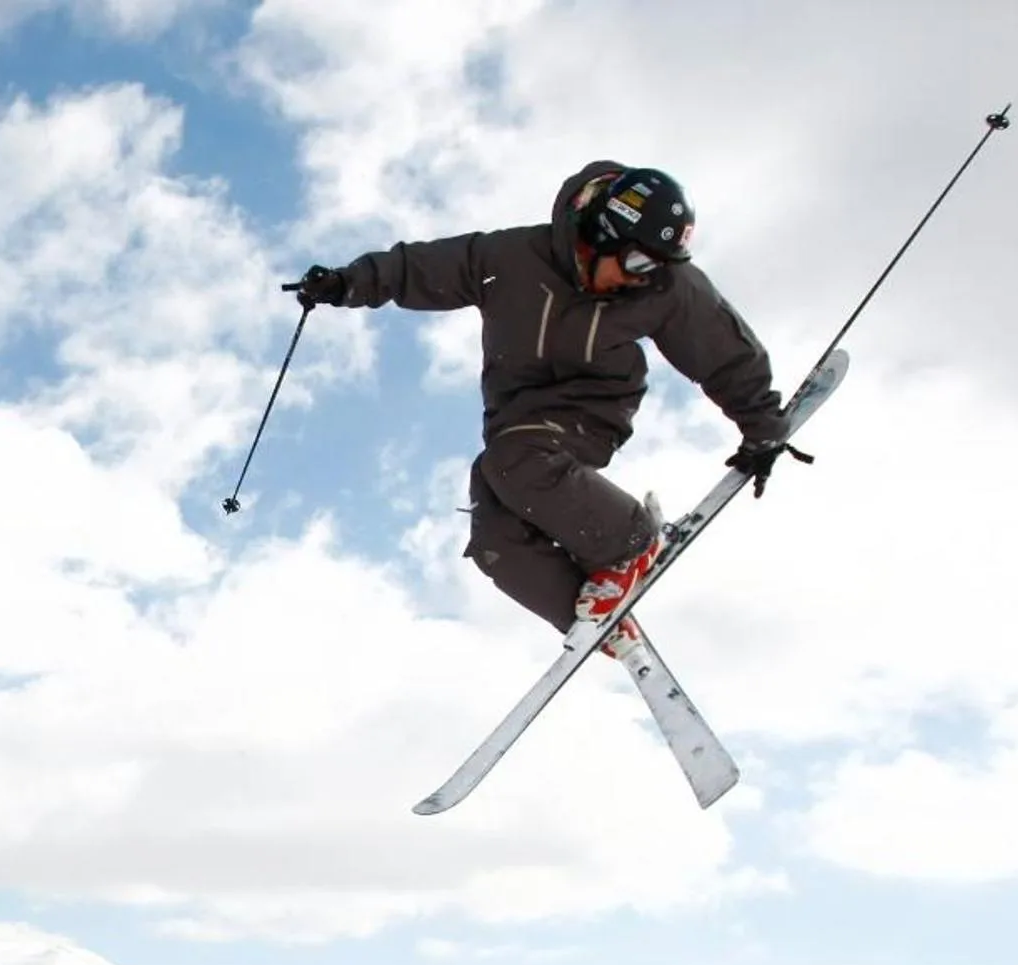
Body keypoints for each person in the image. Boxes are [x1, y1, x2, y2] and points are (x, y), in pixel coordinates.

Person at [292, 163, 795, 660]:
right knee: (494, 534)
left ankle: (631, 542)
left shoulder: (664, 286)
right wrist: (346, 283)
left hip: (592, 409)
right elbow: (422, 268)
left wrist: (763, 428)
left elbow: (722, 348)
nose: (639, 280)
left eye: (655, 270)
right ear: (599, 234)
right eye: (637, 264)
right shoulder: (511, 257)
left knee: (516, 458)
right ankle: (589, 616)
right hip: (517, 418)